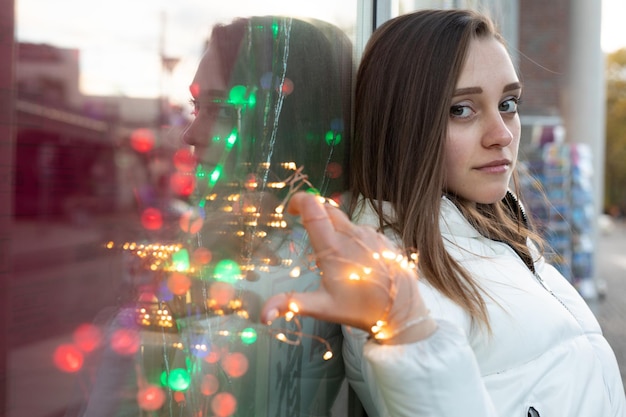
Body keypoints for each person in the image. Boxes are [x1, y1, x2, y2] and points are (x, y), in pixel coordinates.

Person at [261, 9, 626, 417]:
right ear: (403, 123)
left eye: (508, 103)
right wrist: (409, 332)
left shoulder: (489, 221)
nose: (502, 134)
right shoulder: (395, 270)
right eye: (461, 110)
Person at [73, 16, 352, 417]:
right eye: (195, 106)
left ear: (285, 123)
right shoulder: (225, 242)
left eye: (220, 109)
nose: (189, 134)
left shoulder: (303, 274)